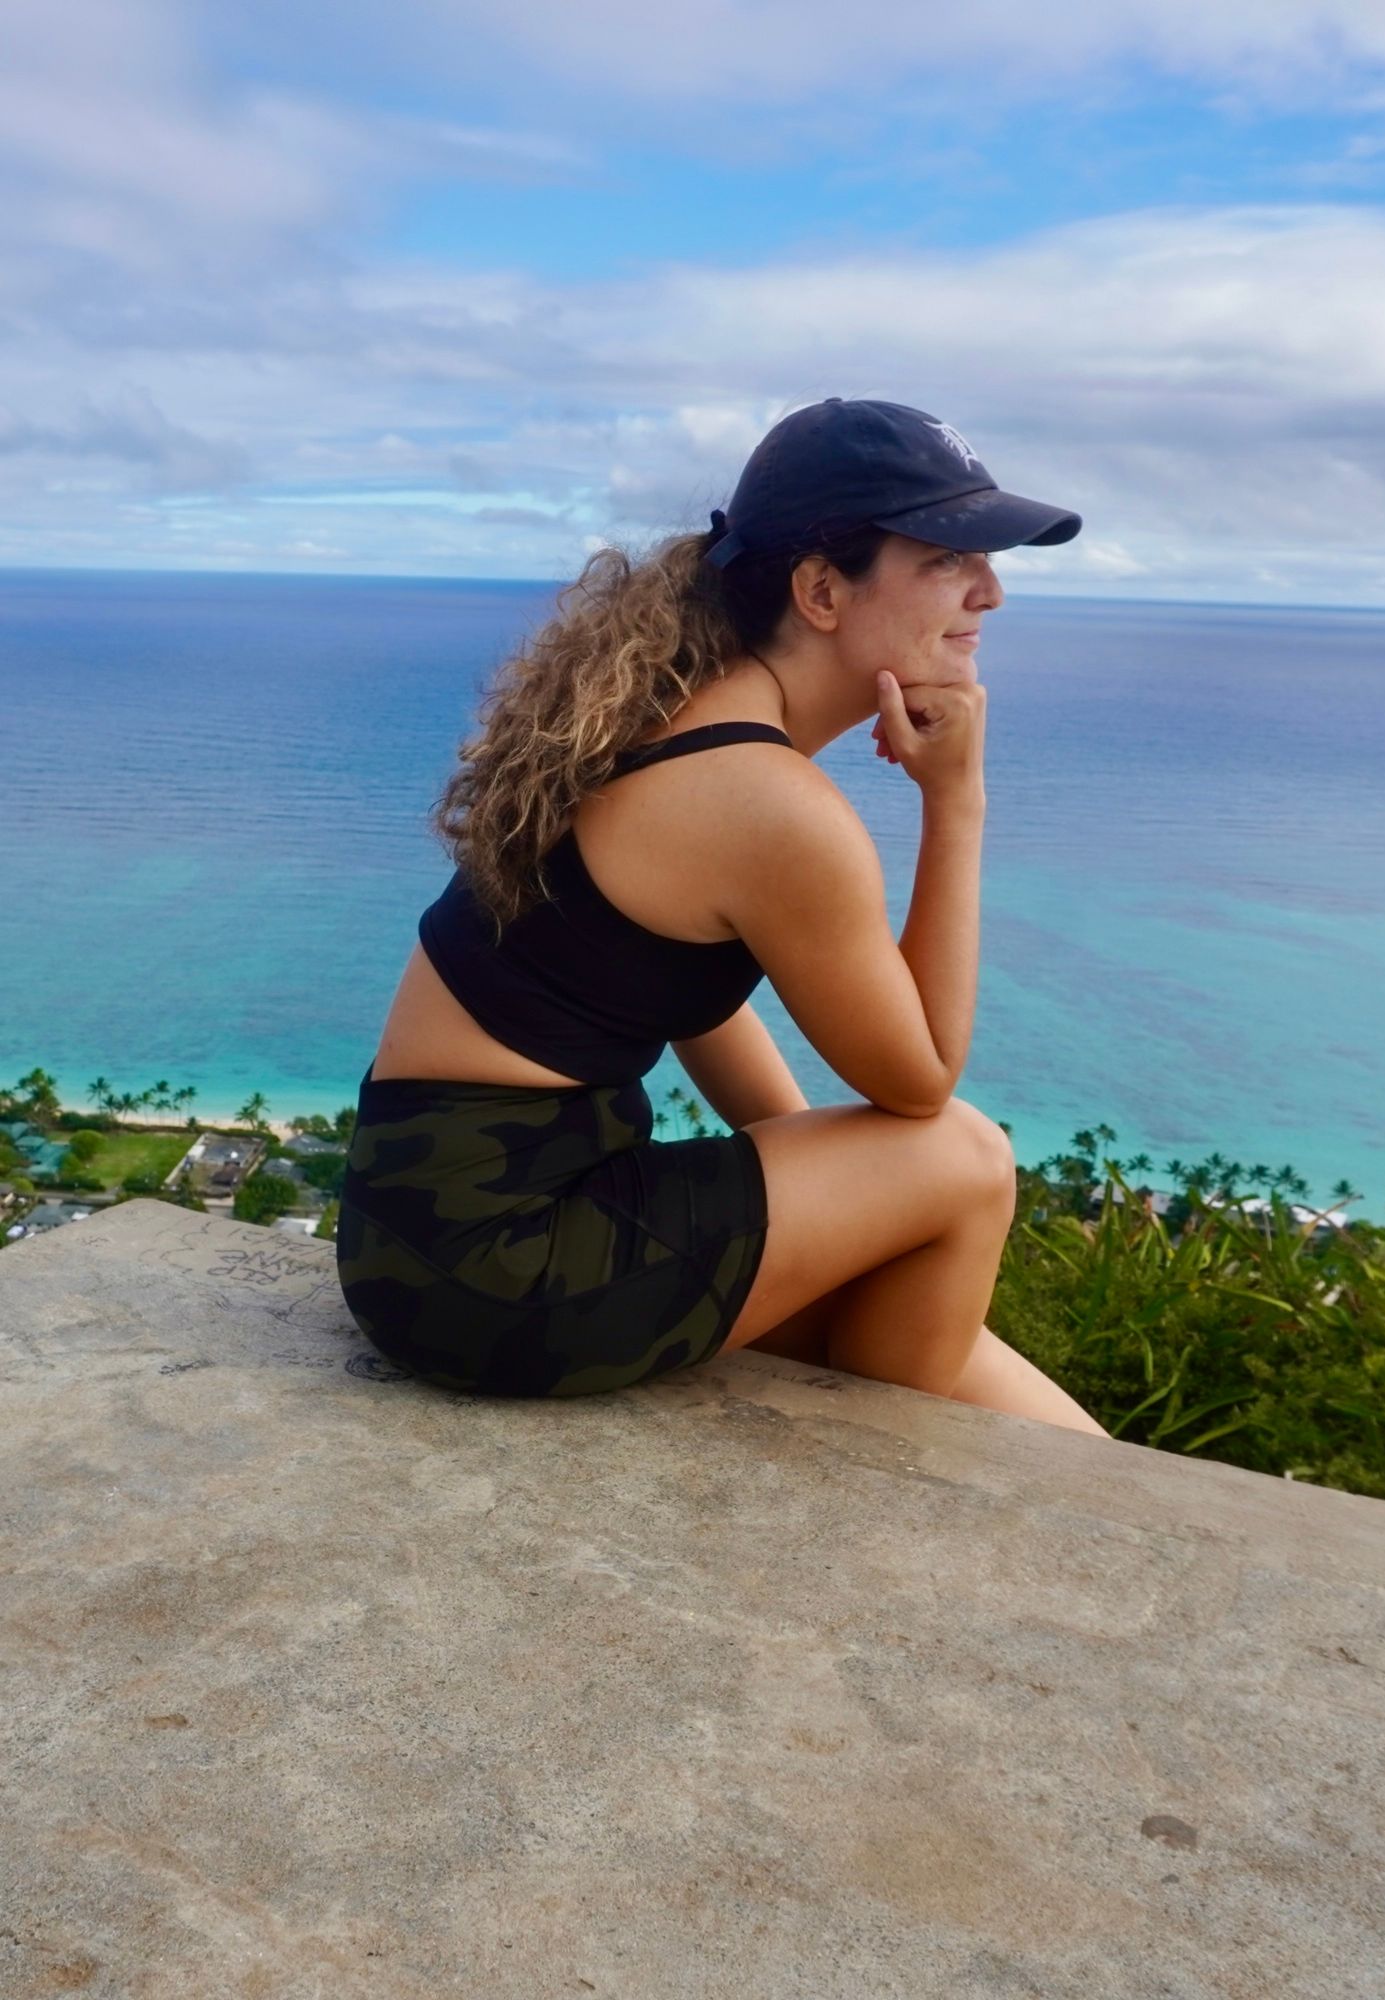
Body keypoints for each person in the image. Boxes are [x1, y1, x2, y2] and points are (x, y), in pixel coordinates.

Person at [336, 397, 1109, 1436]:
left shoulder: (663, 713)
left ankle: (1109, 1483)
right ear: (821, 590)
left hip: (427, 1241)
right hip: (500, 1265)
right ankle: (893, 1478)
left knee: (922, 1294)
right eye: (945, 558)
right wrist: (955, 800)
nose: (991, 591)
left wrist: (841, 1194)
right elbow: (921, 1077)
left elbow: (683, 994)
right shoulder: (768, 803)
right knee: (964, 1159)